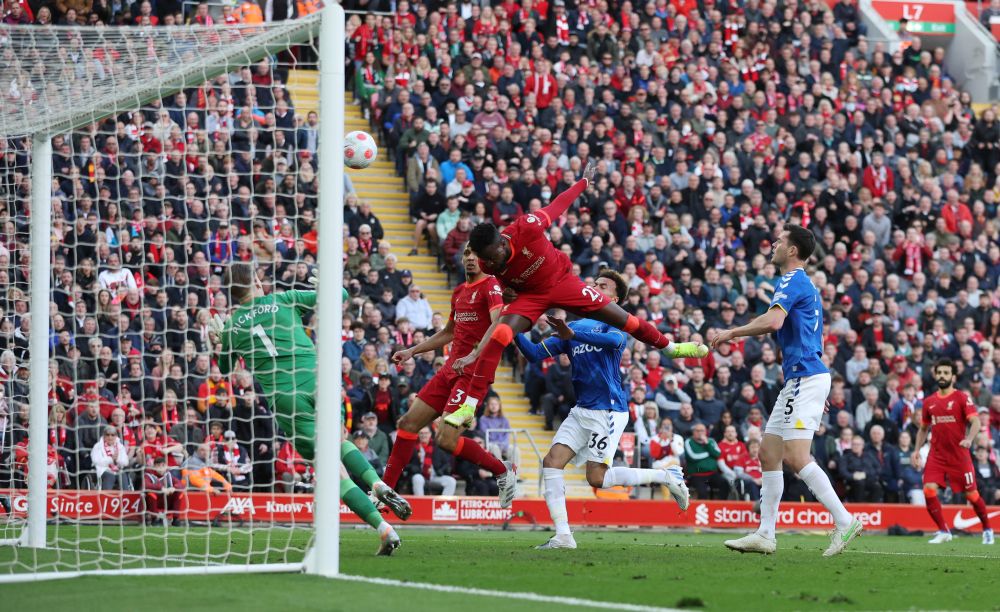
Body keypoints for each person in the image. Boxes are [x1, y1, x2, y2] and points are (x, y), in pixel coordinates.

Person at [449, 161, 707, 428]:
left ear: (502, 243)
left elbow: (558, 206)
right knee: (501, 334)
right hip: (531, 296)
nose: (492, 264)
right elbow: (504, 286)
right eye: (486, 261)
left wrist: (583, 183)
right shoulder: (485, 262)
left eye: (494, 257)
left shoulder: (525, 227)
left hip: (562, 282)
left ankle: (670, 348)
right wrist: (507, 292)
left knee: (625, 320)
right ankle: (469, 406)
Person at [211, 261, 408, 555]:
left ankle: (384, 528)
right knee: (339, 443)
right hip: (319, 380)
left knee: (330, 469)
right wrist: (326, 286)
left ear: (230, 293)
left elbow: (226, 368)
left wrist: (220, 340)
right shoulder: (283, 298)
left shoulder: (232, 328)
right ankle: (377, 483)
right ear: (255, 280)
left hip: (286, 398)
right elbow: (339, 297)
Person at [513, 269, 688, 550]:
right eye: (593, 283)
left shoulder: (612, 325)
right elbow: (534, 353)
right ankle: (563, 536)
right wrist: (511, 326)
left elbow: (616, 343)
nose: (594, 287)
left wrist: (572, 335)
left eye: (602, 285)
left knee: (597, 478)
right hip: (581, 409)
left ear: (614, 298)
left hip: (608, 410)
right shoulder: (575, 326)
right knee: (551, 463)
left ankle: (666, 476)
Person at [715, 225, 863, 556]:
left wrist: (732, 332)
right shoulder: (804, 285)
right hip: (801, 378)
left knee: (796, 456)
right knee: (768, 452)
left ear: (792, 250)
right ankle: (766, 534)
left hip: (806, 378)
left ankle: (844, 520)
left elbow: (773, 322)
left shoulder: (792, 280)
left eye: (780, 241)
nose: (773, 245)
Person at [384, 247, 515, 506]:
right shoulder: (459, 292)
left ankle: (502, 470)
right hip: (450, 370)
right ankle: (385, 491)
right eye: (466, 253)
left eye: (474, 253)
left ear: (485, 260)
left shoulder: (491, 287)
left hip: (473, 376)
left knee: (445, 439)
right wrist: (412, 350)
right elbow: (448, 333)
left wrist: (474, 354)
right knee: (408, 423)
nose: (469, 257)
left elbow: (496, 323)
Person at [911, 359, 994, 545]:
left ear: (953, 377)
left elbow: (976, 422)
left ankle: (987, 529)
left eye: (946, 373)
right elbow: (923, 428)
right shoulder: (929, 402)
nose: (942, 376)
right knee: (929, 490)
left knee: (972, 495)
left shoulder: (962, 398)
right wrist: (916, 450)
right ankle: (943, 530)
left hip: (959, 455)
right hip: (937, 455)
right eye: (939, 372)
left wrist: (970, 439)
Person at [91, 425, 131, 490]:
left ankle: (125, 497)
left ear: (116, 436)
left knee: (123, 475)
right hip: (103, 469)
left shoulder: (120, 446)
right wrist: (110, 459)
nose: (110, 437)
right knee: (110, 476)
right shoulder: (98, 446)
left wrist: (117, 459)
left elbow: (126, 462)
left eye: (112, 435)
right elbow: (95, 461)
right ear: (104, 436)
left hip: (117, 470)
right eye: (107, 435)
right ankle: (106, 497)